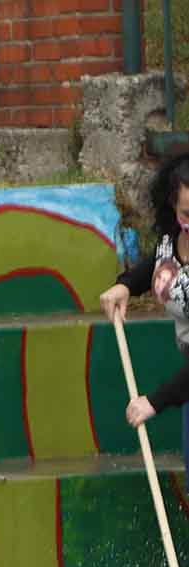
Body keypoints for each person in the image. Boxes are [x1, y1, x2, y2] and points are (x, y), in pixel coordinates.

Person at [99, 154, 189, 438]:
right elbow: (160, 263)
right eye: (188, 214)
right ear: (173, 205)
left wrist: (154, 402)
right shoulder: (172, 239)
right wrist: (126, 285)